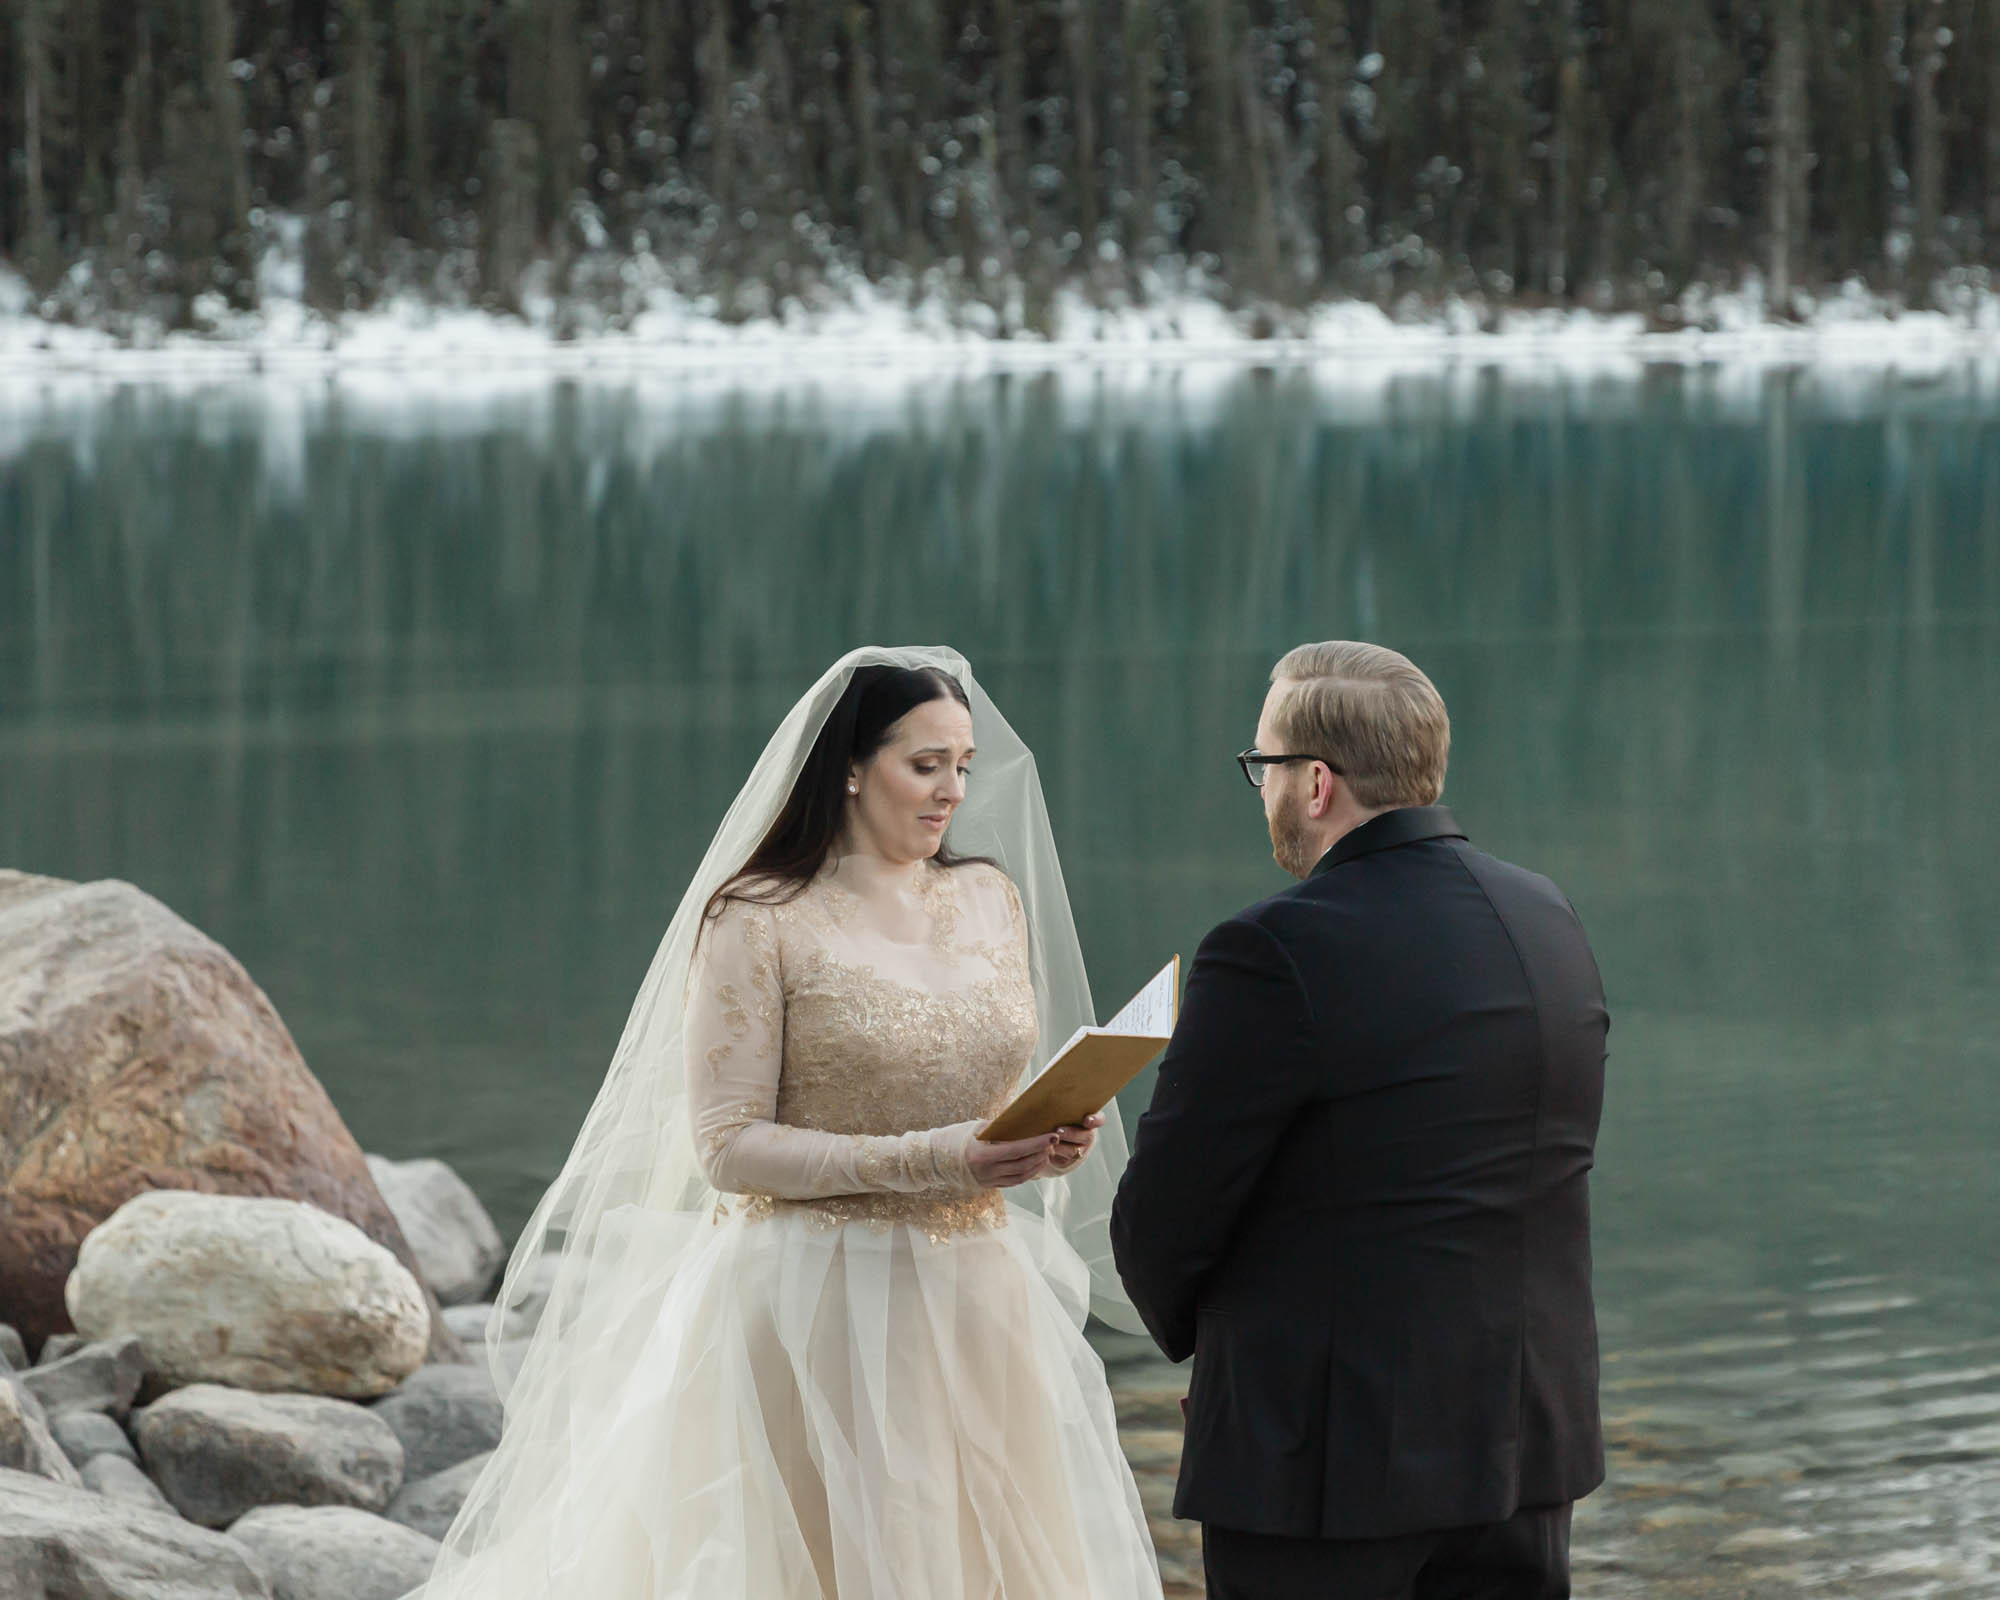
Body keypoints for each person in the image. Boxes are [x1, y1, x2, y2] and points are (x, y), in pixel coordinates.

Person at [419, 648, 1162, 1600]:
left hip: (977, 1290)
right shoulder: (758, 919)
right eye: (925, 764)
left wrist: (1054, 1128)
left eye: (963, 765)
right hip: (815, 1298)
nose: (952, 792)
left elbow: (993, 1088)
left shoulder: (988, 898)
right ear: (851, 765)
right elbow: (727, 1146)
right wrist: (950, 1157)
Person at [1110, 640, 1608, 1600]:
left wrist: (1220, 1364)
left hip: (1329, 1469)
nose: (1259, 788)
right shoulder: (1548, 917)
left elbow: (1162, 1227)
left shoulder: (1271, 950)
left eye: (1263, 766)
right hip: (1526, 1440)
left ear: (1316, 783)